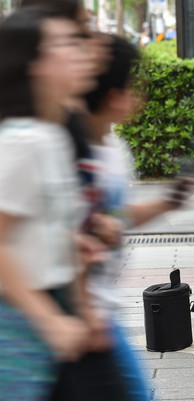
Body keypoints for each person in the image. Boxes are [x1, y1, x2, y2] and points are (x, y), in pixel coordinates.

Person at [51, 35, 193, 401]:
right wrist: (81, 307)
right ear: (114, 93)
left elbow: (113, 217)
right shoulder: (63, 148)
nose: (139, 96)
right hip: (70, 316)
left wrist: (167, 203)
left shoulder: (112, 147)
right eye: (134, 85)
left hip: (94, 312)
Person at [0, 7, 98, 398]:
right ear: (32, 63)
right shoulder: (22, 140)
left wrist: (80, 306)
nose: (80, 50)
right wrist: (51, 320)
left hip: (51, 313)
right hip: (19, 321)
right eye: (66, 43)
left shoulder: (51, 135)